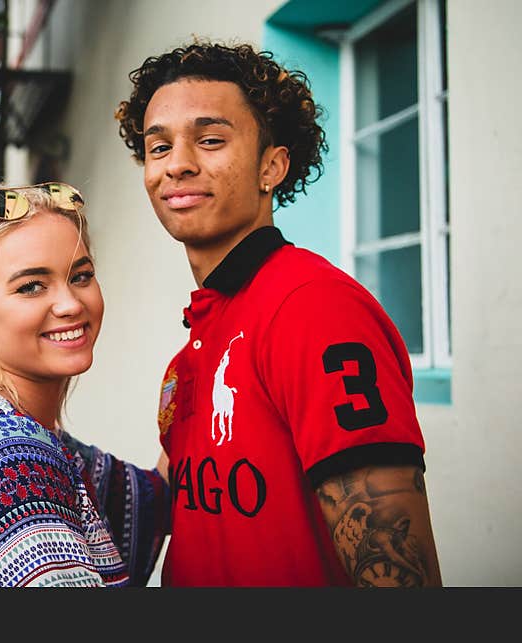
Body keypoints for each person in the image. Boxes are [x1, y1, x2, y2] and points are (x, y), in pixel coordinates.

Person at [115, 42, 442, 586]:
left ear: (273, 165)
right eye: (158, 147)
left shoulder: (313, 308)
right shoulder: (202, 334)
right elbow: (161, 502)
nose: (178, 164)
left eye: (211, 140)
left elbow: (396, 568)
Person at [0, 182, 169, 587]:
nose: (70, 303)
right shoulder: (9, 463)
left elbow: (153, 498)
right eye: (31, 286)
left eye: (81, 276)